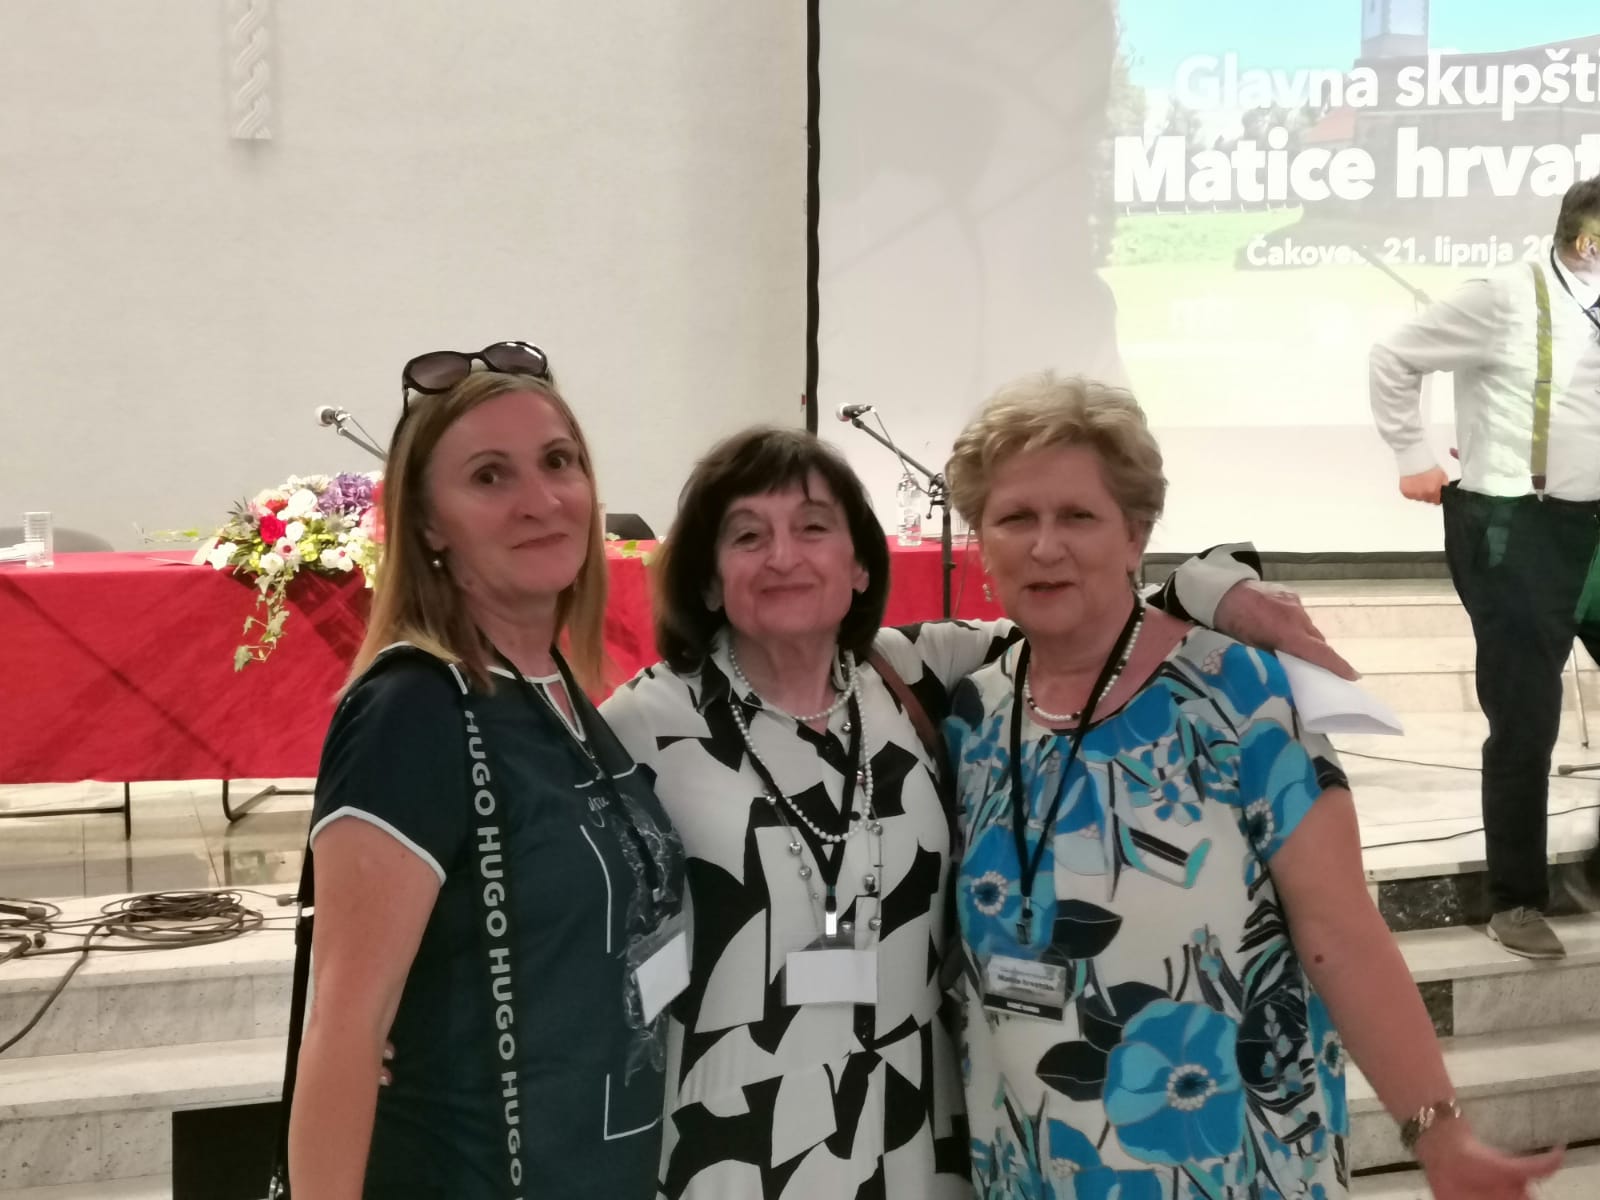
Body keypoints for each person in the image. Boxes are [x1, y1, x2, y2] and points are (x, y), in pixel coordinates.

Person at [599, 426, 1353, 1200]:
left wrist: (1210, 586)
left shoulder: (912, 674)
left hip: (914, 1137)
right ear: (709, 579)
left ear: (860, 566)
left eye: (813, 528)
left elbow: (1093, 612)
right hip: (734, 1141)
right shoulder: (640, 729)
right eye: (748, 536)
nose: (783, 556)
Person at [944, 373, 1563, 1200]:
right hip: (1029, 1170)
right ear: (981, 541)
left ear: (1135, 535)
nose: (1045, 546)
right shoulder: (974, 715)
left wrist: (1438, 1133)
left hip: (1230, 1169)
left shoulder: (1238, 695)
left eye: (1078, 517)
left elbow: (1340, 934)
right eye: (1015, 518)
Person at [287, 345, 686, 1199]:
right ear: (429, 524)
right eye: (490, 476)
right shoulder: (413, 712)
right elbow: (345, 1033)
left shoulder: (558, 694)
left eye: (558, 462)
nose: (541, 500)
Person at [1370, 177, 1600, 958]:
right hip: (1517, 527)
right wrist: (1413, 454)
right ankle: (1517, 899)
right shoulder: (1502, 297)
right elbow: (1394, 356)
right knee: (1526, 719)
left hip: (1595, 528)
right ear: (1587, 242)